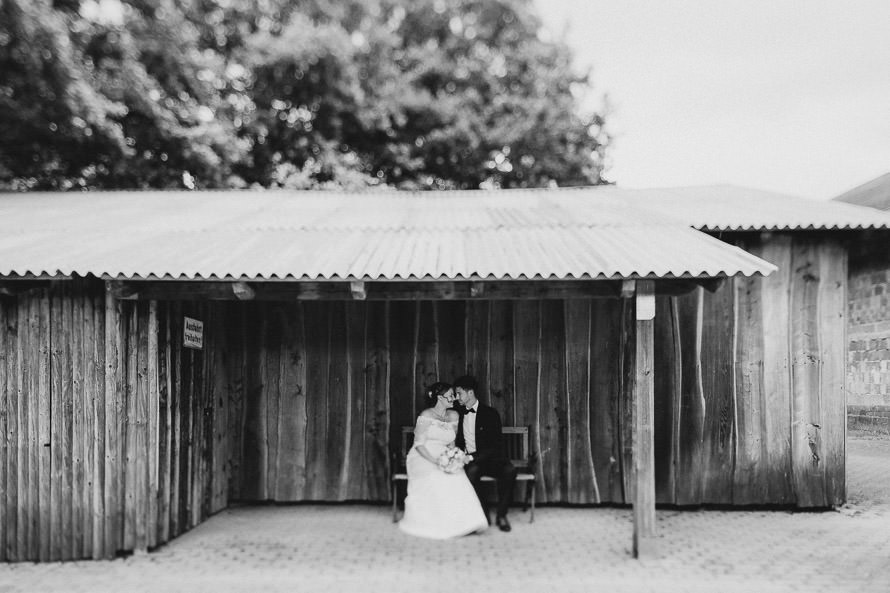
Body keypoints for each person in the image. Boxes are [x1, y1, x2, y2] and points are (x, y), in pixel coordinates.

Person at [398, 382, 489, 539]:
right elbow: (418, 444)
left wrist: (453, 458)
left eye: (454, 395)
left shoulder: (453, 415)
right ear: (440, 398)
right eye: (450, 396)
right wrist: (435, 462)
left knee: (458, 477)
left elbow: (451, 443)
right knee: (437, 477)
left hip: (444, 454)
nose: (454, 398)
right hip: (422, 455)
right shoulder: (426, 415)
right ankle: (439, 523)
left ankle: (466, 523)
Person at [454, 374, 518, 532]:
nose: (457, 397)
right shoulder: (456, 414)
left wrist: (473, 456)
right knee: (472, 474)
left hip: (491, 459)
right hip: (472, 463)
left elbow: (495, 445)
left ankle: (502, 515)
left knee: (509, 471)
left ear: (470, 393)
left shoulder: (490, 413)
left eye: (459, 393)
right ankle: (483, 514)